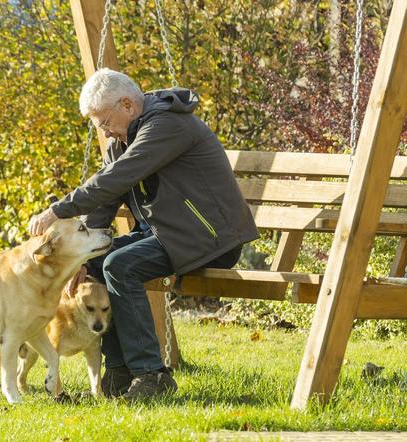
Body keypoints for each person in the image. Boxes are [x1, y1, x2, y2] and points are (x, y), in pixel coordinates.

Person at [28, 68, 258, 401]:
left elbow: (117, 178)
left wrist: (58, 210)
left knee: (121, 266)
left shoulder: (166, 125)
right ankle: (119, 372)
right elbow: (107, 198)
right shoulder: (121, 138)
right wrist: (84, 254)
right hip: (169, 234)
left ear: (127, 106)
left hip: (210, 238)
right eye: (99, 126)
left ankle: (151, 375)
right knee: (99, 260)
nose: (104, 131)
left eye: (104, 122)